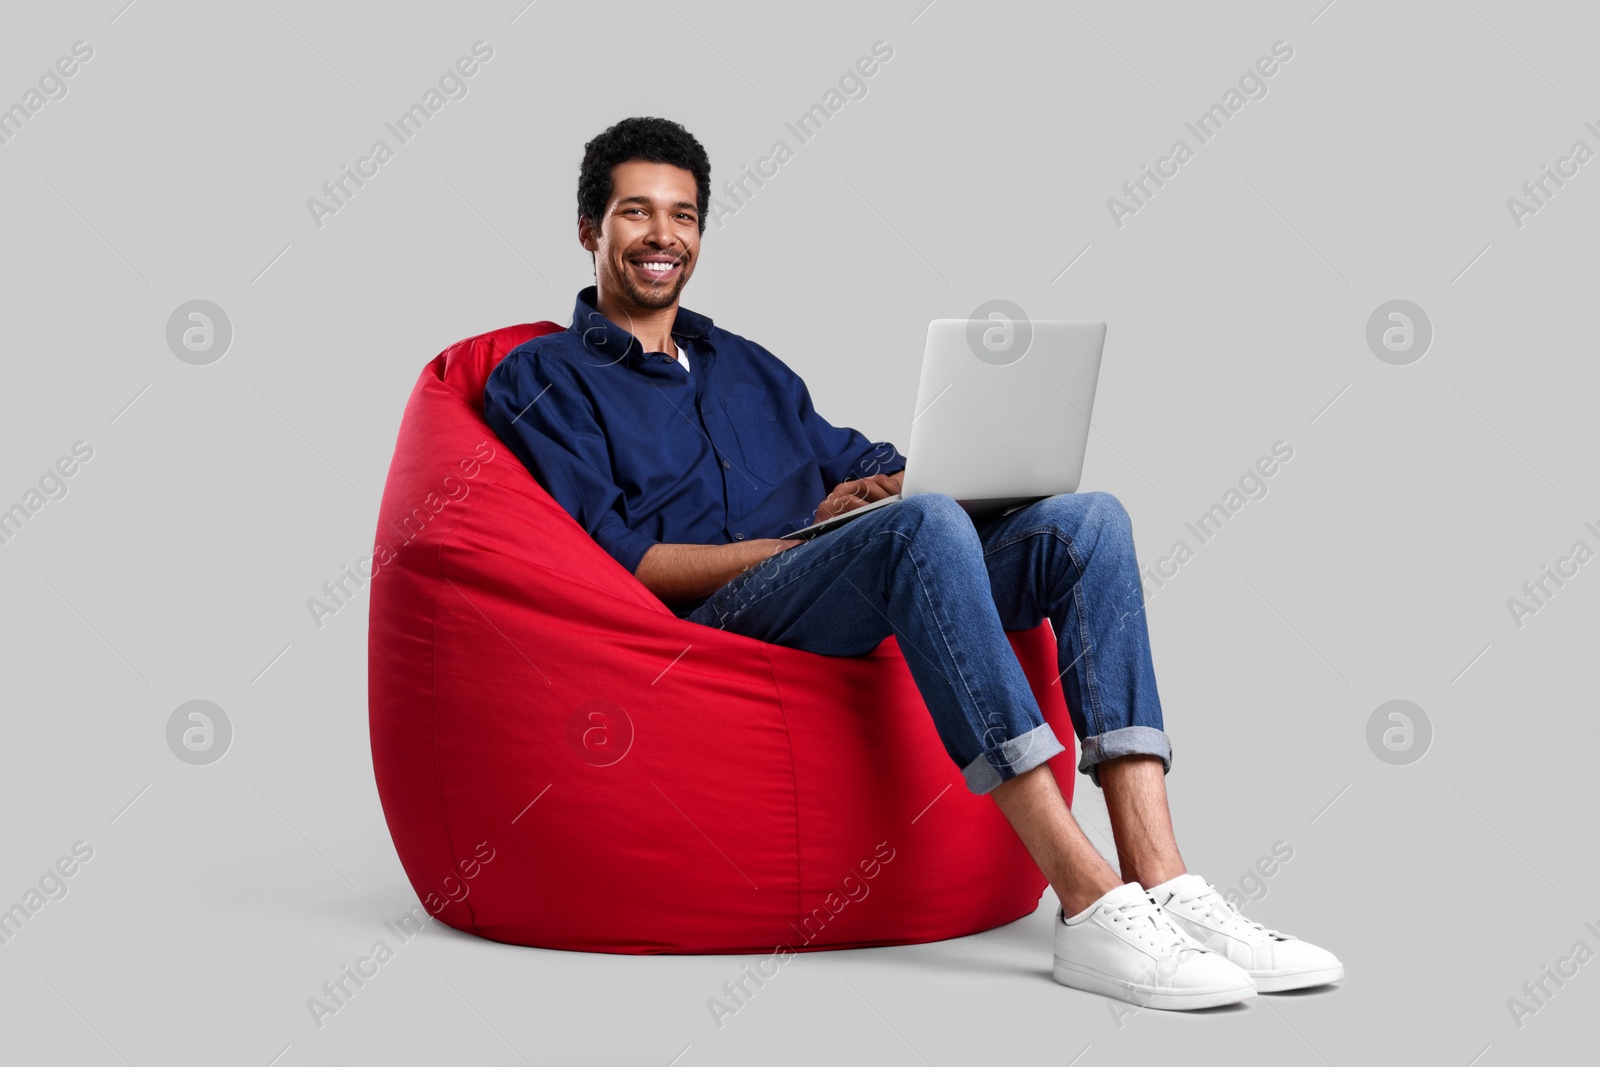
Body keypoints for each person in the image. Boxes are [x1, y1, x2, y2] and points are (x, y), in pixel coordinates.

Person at [484, 116, 1342, 1011]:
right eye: (636, 213)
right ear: (590, 230)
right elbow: (624, 562)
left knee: (1087, 522)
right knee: (920, 528)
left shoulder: (747, 367)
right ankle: (1086, 900)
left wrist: (909, 479)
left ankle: (1164, 879)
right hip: (716, 615)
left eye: (685, 216)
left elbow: (852, 456)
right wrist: (806, 541)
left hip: (831, 576)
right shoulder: (542, 375)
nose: (665, 236)